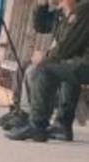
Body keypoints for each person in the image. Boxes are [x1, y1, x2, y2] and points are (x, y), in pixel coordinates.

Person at [6, 0, 89, 141]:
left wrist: (46, 56)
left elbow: (67, 45)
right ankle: (57, 125)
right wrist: (41, 6)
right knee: (58, 66)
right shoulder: (63, 13)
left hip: (84, 62)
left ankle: (37, 126)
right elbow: (41, 26)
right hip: (79, 60)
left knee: (45, 69)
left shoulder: (84, 9)